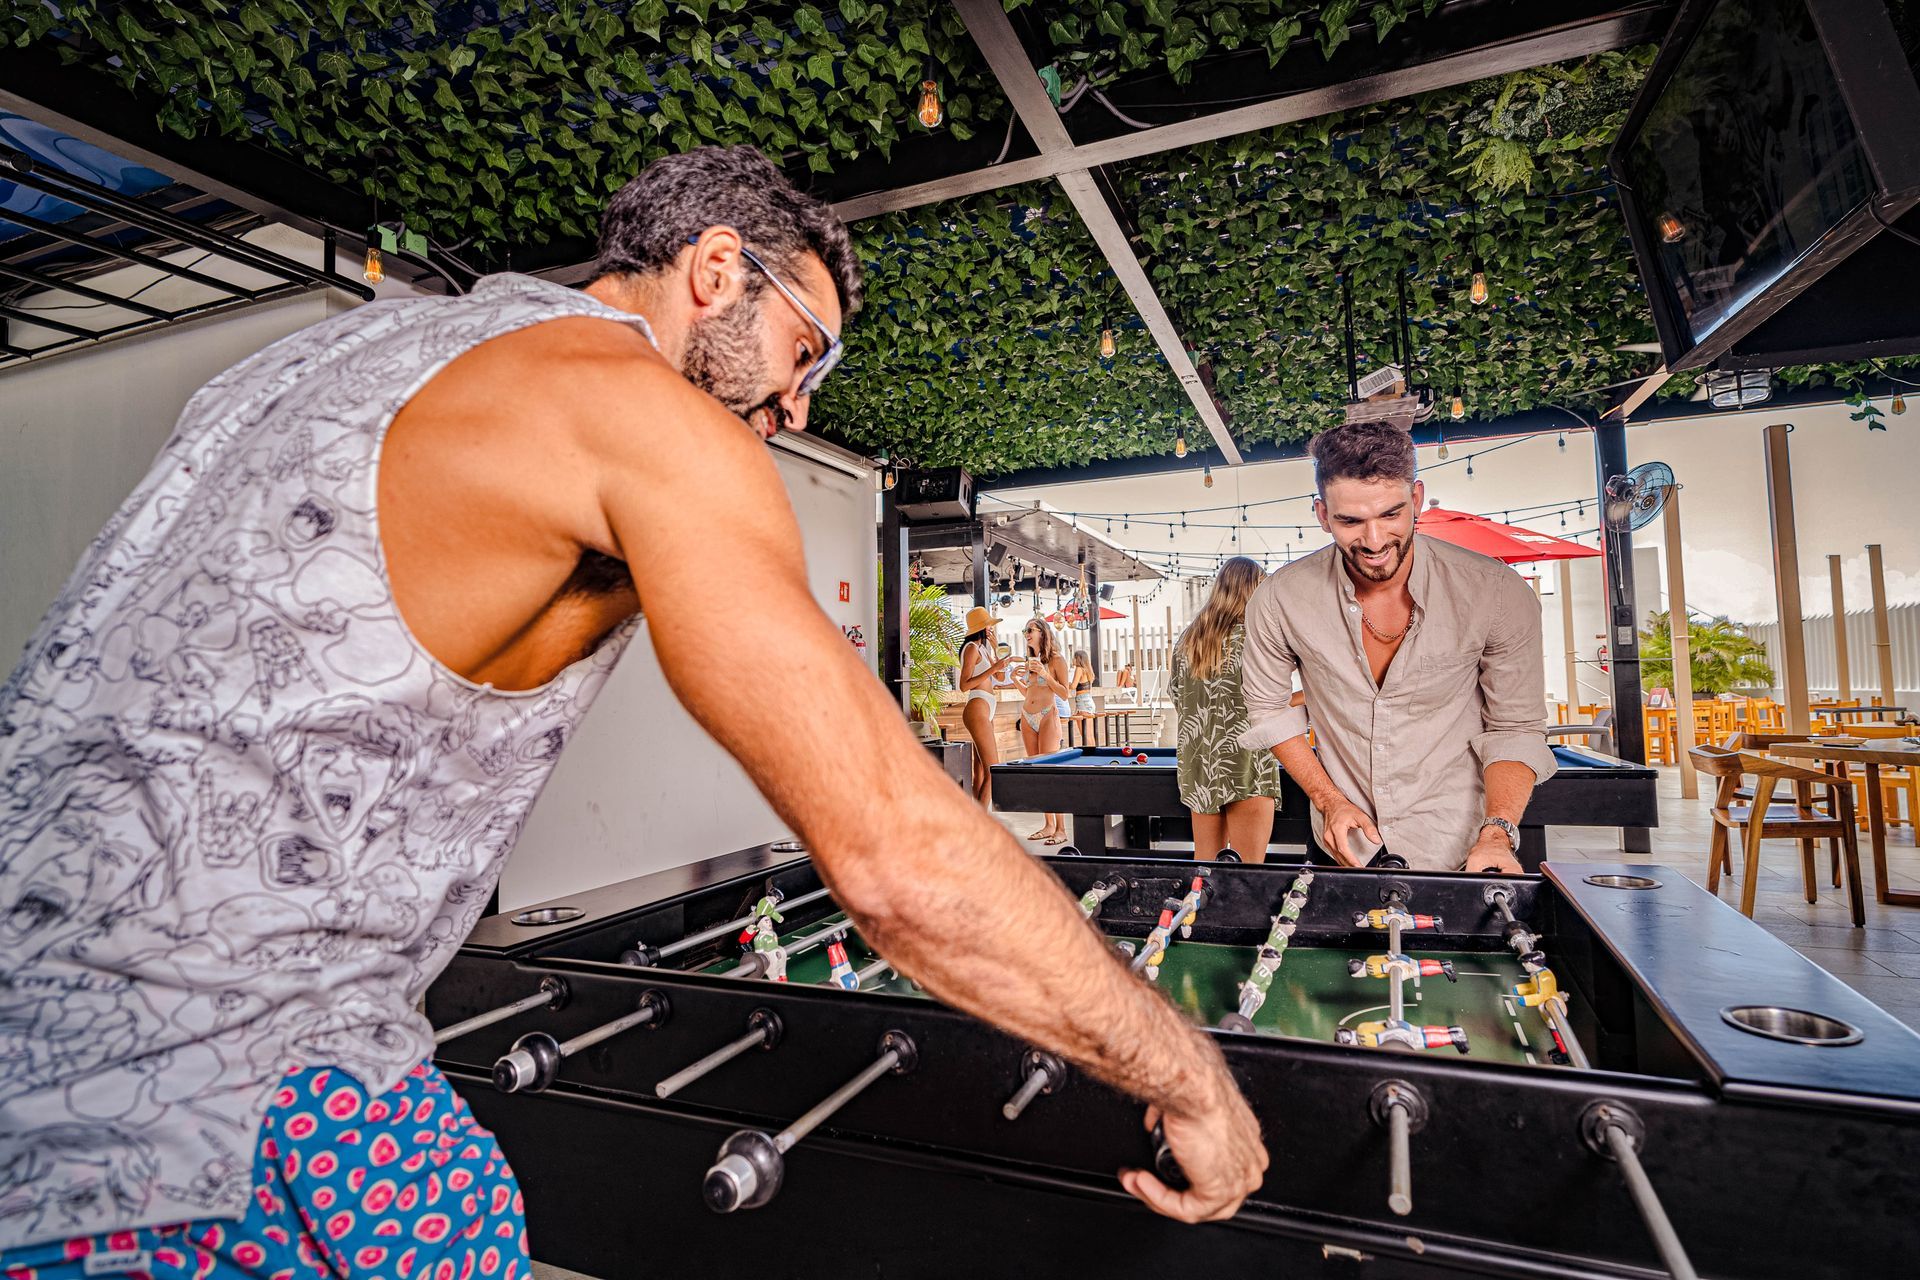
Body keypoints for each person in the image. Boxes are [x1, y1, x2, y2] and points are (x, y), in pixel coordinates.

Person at [0, 146, 1265, 1274]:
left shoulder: (315, 358)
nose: (802, 405)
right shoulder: (645, 413)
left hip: (68, 1024)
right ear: (719, 270)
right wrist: (1187, 1074)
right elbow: (892, 852)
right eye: (806, 350)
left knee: (464, 1210)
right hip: (201, 1096)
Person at [1238, 419, 1556, 873]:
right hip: (1342, 847)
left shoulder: (1496, 592)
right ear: (1323, 515)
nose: (1373, 541)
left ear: (1417, 500)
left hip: (1462, 848)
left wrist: (1497, 833)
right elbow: (1268, 709)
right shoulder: (1280, 598)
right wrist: (1328, 800)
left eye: (1390, 514)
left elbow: (1515, 727)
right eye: (1350, 520)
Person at [1170, 558, 1284, 863]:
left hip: (1199, 764)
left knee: (1205, 867)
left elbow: (1178, 697)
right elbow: (1273, 699)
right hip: (1246, 762)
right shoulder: (1258, 637)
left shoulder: (1188, 640)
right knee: (1250, 870)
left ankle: (1202, 913)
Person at [1015, 618, 1072, 843]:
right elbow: (1030, 692)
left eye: (1030, 629)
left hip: (1048, 715)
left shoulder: (1056, 660)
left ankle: (1061, 829)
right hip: (1027, 718)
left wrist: (1046, 674)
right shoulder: (1030, 661)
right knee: (1038, 773)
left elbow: (1065, 693)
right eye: (1024, 629)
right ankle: (1048, 825)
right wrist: (1015, 680)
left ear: (1042, 633)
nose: (1026, 633)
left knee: (1050, 774)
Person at [956, 606, 1012, 805]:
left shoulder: (983, 649)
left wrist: (997, 652)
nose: (991, 629)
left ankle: (975, 821)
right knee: (993, 770)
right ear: (981, 628)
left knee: (980, 771)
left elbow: (1000, 676)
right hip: (977, 705)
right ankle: (982, 824)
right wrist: (994, 668)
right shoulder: (971, 648)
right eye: (989, 626)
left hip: (986, 708)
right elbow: (964, 685)